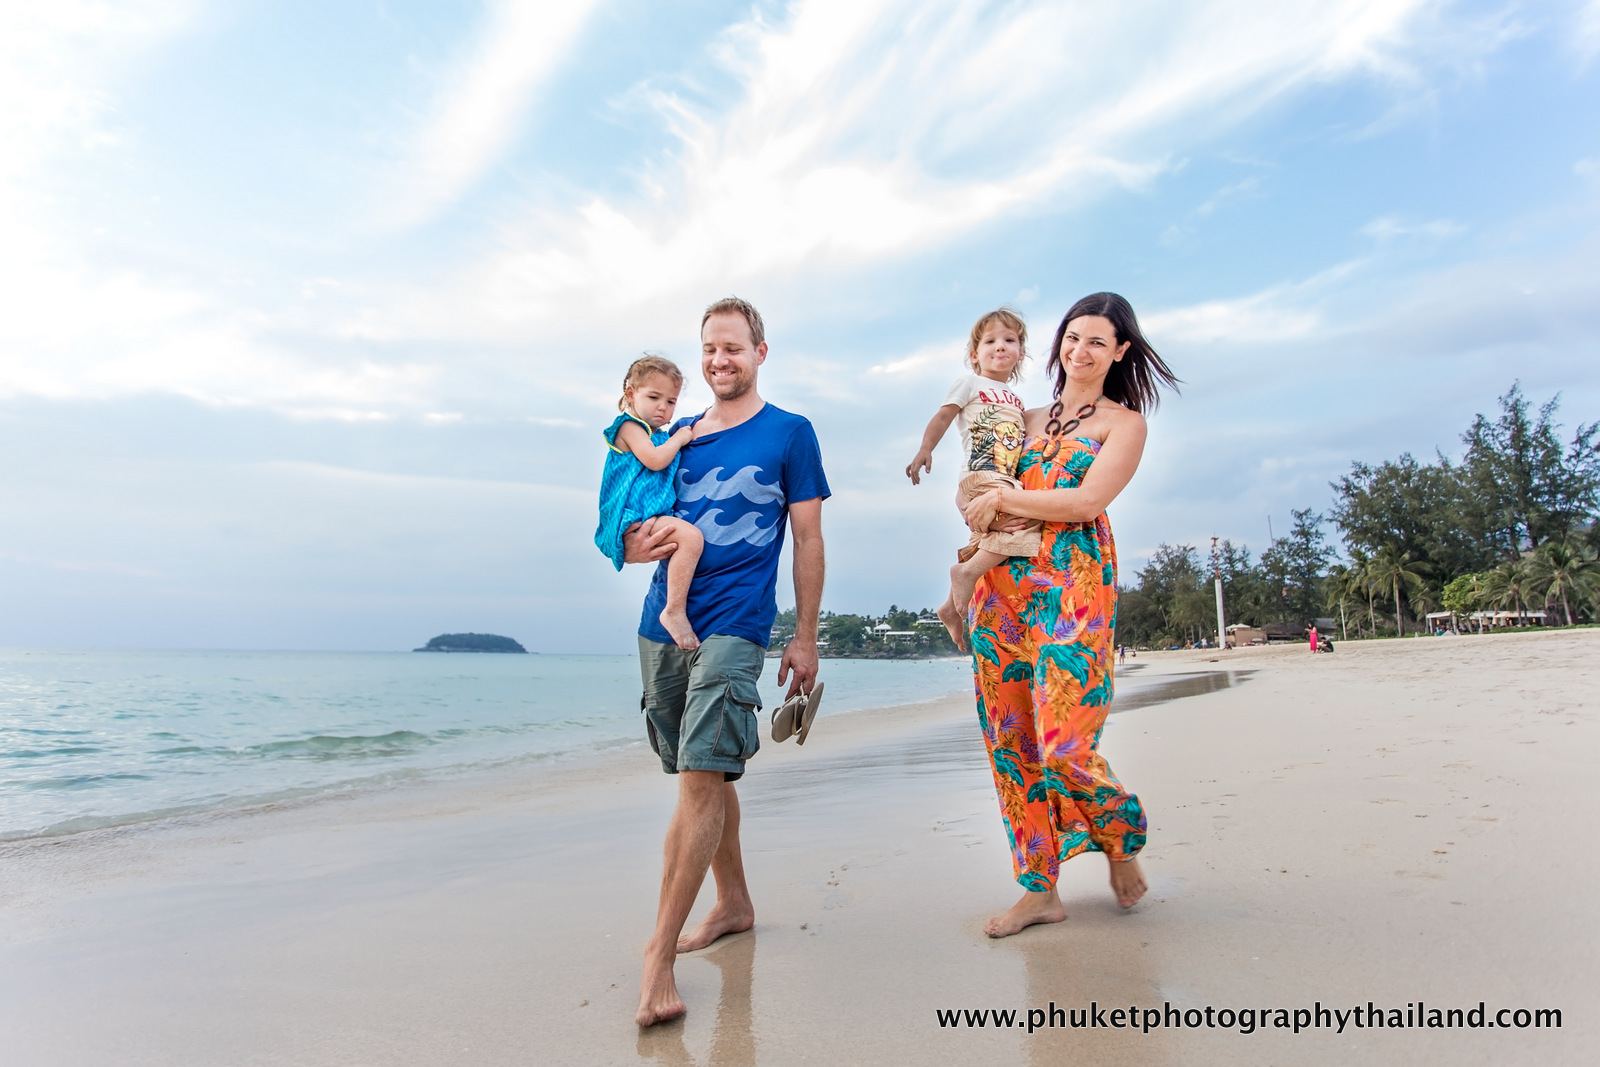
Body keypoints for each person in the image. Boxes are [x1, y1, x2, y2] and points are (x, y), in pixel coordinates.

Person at [624, 297, 829, 1026]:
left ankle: (658, 957)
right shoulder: (674, 435)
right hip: (663, 623)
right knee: (698, 773)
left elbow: (807, 539)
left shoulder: (790, 433)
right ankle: (734, 902)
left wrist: (804, 636)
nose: (720, 360)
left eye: (733, 348)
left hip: (738, 624)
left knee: (702, 776)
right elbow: (627, 517)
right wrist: (628, 546)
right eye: (710, 348)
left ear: (760, 353)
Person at [961, 292, 1178, 936]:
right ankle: (1039, 890)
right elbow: (979, 491)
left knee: (1064, 748)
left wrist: (1009, 499)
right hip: (1000, 589)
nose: (1079, 351)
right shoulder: (1020, 416)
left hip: (1074, 589)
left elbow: (1085, 502)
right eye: (1072, 337)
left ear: (1120, 352)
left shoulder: (1124, 424)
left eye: (1096, 342)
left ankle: (1119, 836)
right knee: (1012, 745)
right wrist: (975, 529)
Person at [903, 308, 1040, 650]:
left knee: (995, 536)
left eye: (1009, 340)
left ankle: (950, 608)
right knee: (1027, 523)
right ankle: (965, 572)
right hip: (982, 474)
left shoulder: (1017, 400)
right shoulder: (969, 382)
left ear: (1021, 352)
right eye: (990, 341)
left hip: (1003, 480)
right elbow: (943, 416)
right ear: (974, 354)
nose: (1000, 346)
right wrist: (925, 449)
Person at [595, 355, 705, 650]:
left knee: (684, 542)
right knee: (692, 539)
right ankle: (674, 610)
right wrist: (679, 439)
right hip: (632, 515)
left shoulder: (657, 435)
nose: (663, 407)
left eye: (671, 401)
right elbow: (655, 461)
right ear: (631, 394)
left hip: (648, 514)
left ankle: (676, 607)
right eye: (654, 397)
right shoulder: (630, 427)